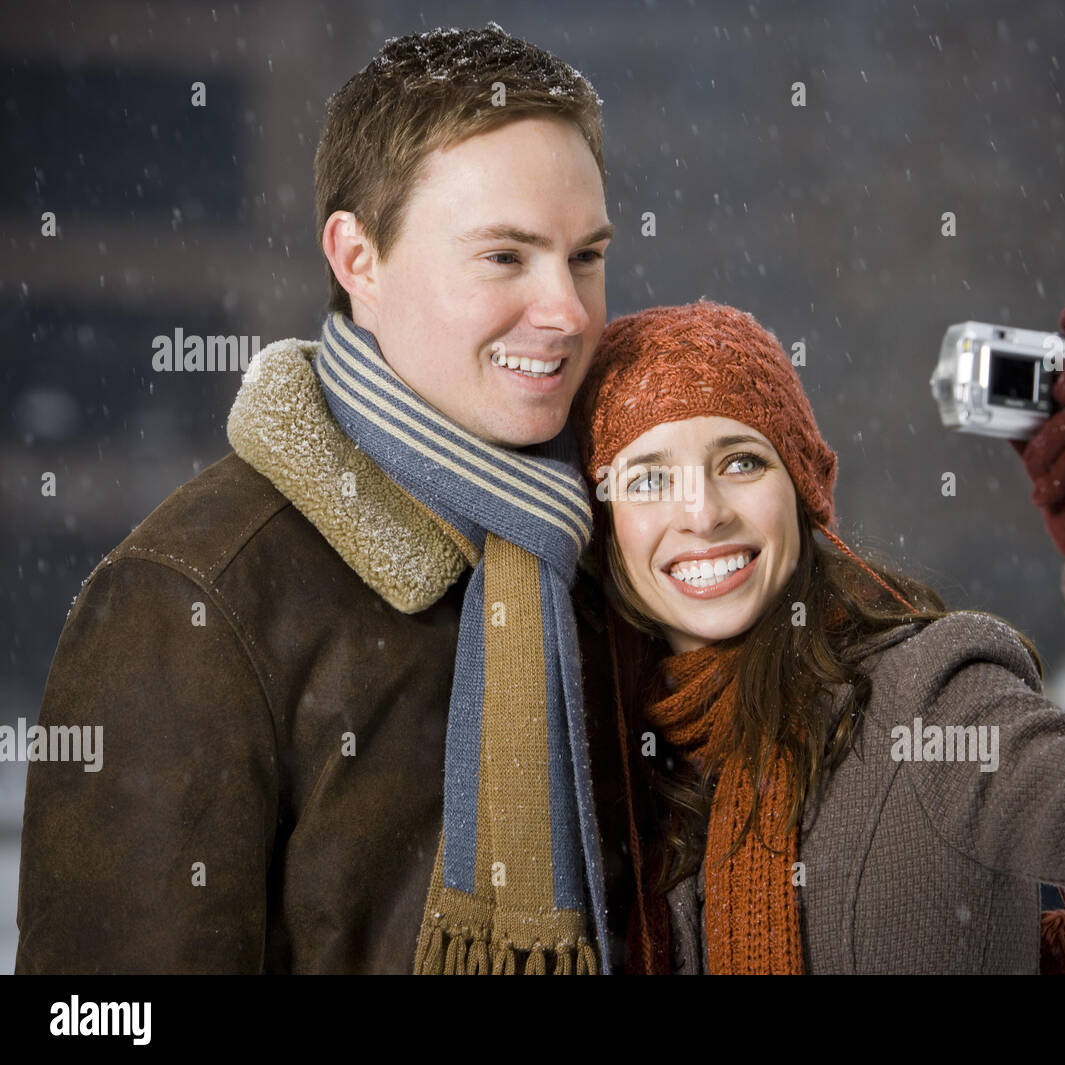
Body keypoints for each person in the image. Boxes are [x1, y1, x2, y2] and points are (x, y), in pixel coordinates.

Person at [16, 25, 631, 975]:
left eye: (584, 256)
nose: (568, 310)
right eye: (506, 257)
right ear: (358, 258)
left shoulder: (618, 546)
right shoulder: (190, 596)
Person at [574, 298, 1065, 974]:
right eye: (649, 478)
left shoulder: (929, 702)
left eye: (740, 461)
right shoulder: (592, 770)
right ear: (603, 528)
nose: (701, 513)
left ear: (801, 491)